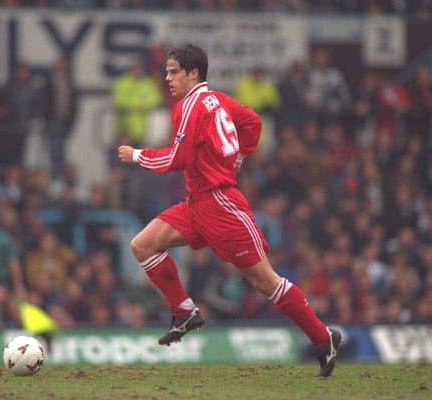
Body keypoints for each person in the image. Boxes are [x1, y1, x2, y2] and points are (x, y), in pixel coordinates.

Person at [118, 44, 341, 377]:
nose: (167, 78)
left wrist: (137, 155)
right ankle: (185, 312)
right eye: (166, 71)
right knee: (143, 244)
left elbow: (176, 159)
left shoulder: (190, 106)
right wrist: (237, 158)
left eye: (173, 71)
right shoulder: (218, 99)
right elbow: (251, 122)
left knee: (265, 281)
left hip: (221, 205)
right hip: (198, 203)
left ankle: (324, 339)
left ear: (193, 73)